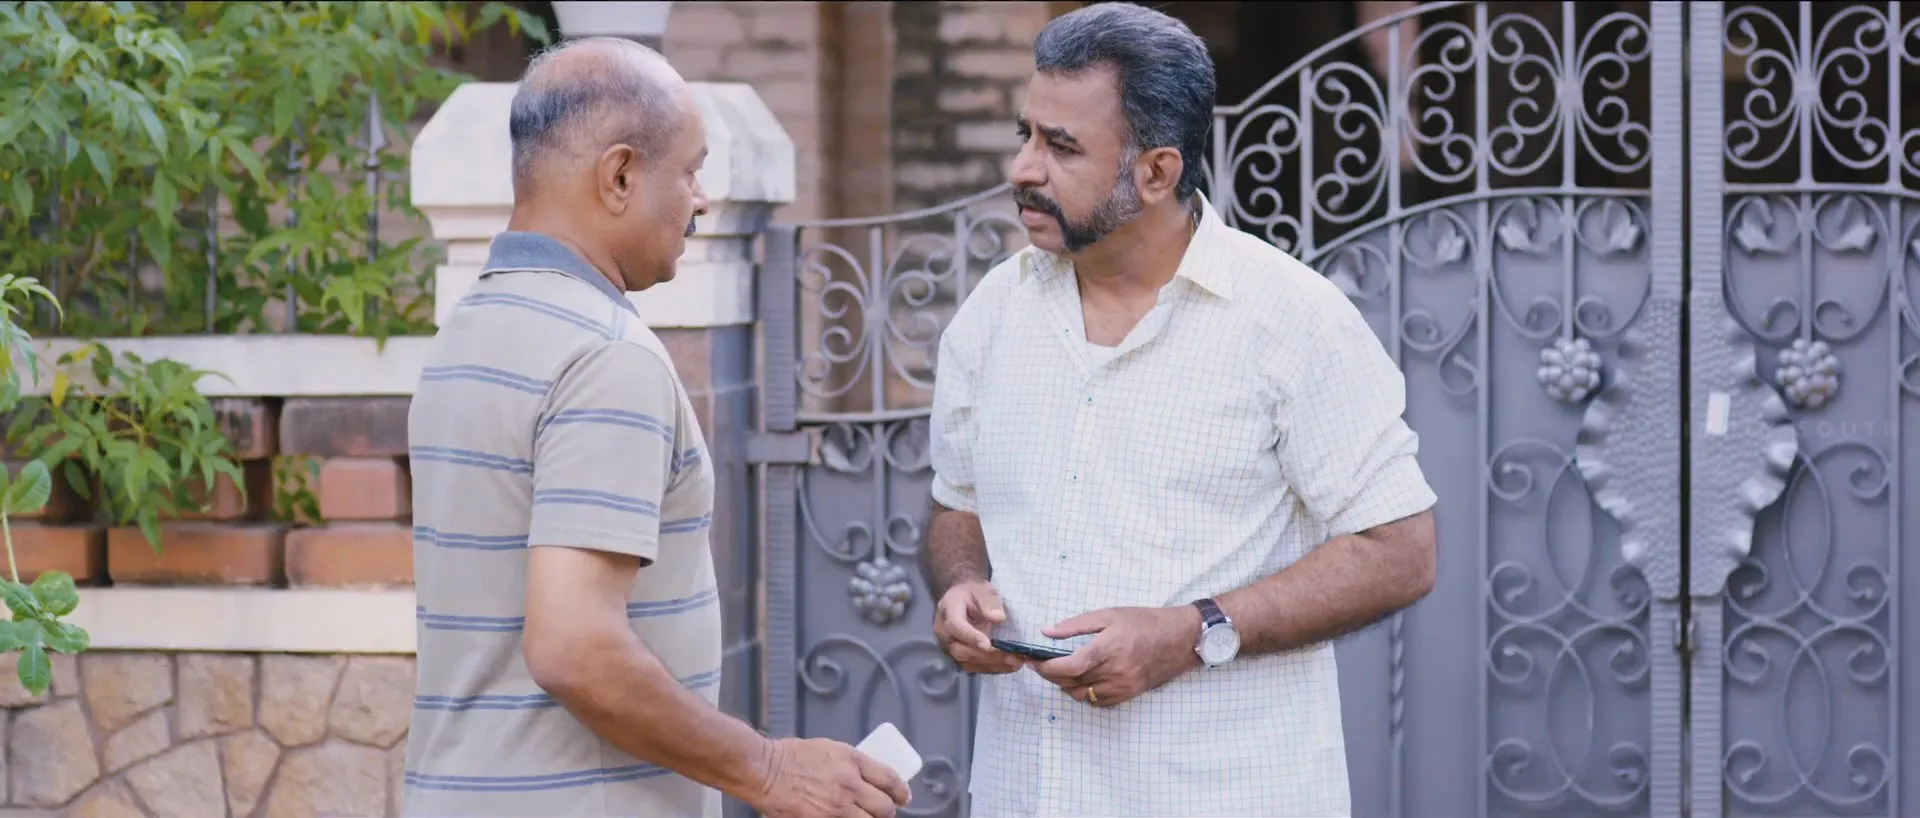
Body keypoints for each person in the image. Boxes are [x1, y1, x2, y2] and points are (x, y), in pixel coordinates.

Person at [923, 4, 1439, 817]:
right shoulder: (994, 312)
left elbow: (1401, 551)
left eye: (1061, 147)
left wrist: (1192, 633)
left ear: (1157, 173)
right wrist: (961, 587)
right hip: (1024, 792)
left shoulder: (1290, 319)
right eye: (1027, 135)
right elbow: (957, 508)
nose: (1023, 168)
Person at [402, 37, 911, 818]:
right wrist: (770, 769)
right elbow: (576, 648)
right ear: (619, 176)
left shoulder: (468, 332)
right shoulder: (604, 356)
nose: (701, 199)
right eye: (690, 171)